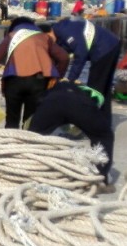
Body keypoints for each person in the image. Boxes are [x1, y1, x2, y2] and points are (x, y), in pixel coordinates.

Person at [39, 20, 121, 184]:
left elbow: (80, 54)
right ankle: (102, 121)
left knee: (96, 89)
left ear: (48, 33)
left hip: (105, 48)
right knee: (101, 90)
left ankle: (90, 124)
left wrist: (70, 80)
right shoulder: (59, 37)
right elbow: (60, 58)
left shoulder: (64, 30)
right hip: (108, 46)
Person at [0, 16, 69, 129]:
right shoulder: (44, 38)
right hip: (38, 82)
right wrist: (56, 78)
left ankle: (11, 144)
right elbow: (64, 58)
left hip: (13, 81)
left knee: (12, 120)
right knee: (30, 122)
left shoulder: (12, 36)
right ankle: (27, 143)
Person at [28, 80, 115, 190]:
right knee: (104, 135)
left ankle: (29, 171)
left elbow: (39, 103)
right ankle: (100, 179)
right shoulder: (89, 94)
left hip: (51, 104)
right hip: (79, 105)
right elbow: (97, 107)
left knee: (32, 138)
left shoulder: (51, 91)